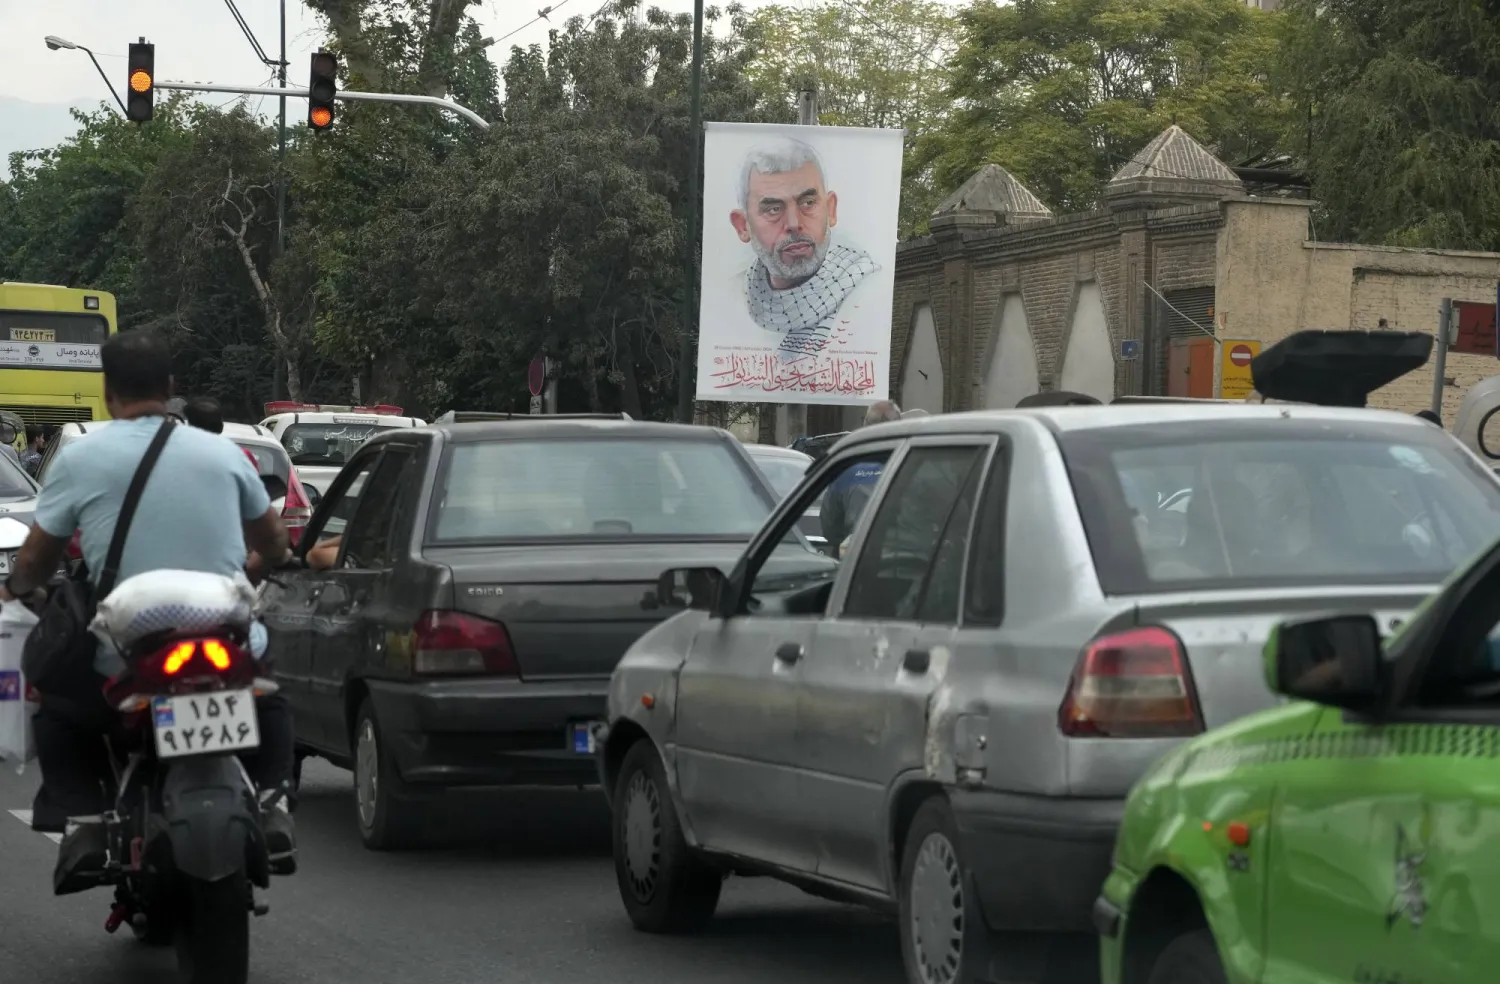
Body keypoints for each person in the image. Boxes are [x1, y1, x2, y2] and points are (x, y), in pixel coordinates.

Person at [0, 330, 298, 890]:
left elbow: (39, 557)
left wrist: (16, 589)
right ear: (170, 388)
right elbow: (274, 541)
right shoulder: (224, 454)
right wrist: (275, 558)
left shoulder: (81, 456)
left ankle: (86, 819)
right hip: (224, 629)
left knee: (62, 710)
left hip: (128, 639)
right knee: (271, 697)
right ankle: (274, 798)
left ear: (108, 392)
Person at [727, 137, 881, 360]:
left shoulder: (871, 291)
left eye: (807, 203)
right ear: (743, 226)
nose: (793, 223)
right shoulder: (730, 298)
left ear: (831, 210)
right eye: (773, 209)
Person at [820, 399, 903, 556]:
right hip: (911, 564)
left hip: (856, 562)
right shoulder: (915, 463)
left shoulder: (846, 467)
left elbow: (829, 528)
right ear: (899, 426)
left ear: (865, 426)